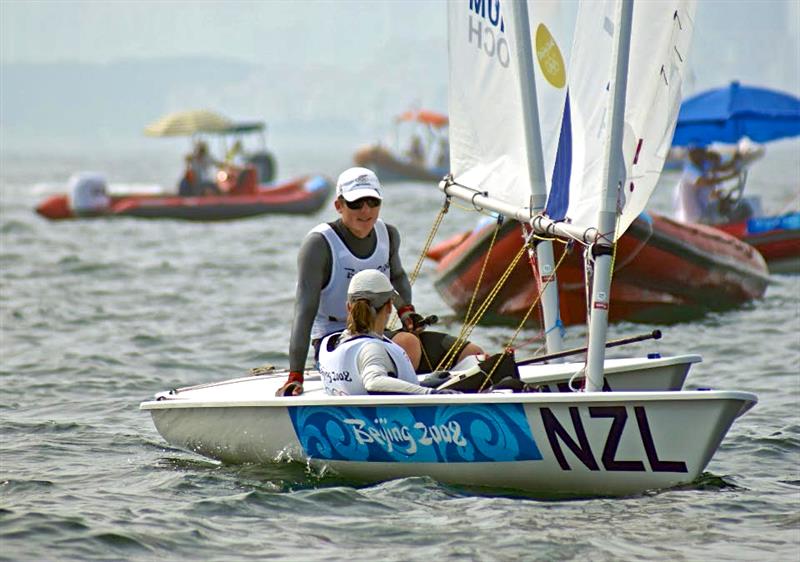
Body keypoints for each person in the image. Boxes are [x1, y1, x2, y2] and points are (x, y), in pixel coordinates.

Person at [277, 166, 483, 396]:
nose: (366, 211)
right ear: (339, 206)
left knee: (474, 355)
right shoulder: (319, 245)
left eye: (373, 202)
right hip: (335, 342)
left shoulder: (389, 234)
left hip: (378, 334)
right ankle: (417, 398)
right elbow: (303, 312)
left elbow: (397, 278)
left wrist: (406, 312)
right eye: (356, 203)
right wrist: (295, 375)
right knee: (408, 344)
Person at [318, 269, 460, 396]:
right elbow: (373, 382)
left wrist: (423, 383)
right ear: (389, 307)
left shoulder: (330, 342)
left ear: (349, 307)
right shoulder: (371, 348)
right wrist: (429, 392)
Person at [673, 145, 743, 224]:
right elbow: (705, 182)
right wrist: (730, 177)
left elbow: (721, 168)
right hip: (693, 218)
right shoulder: (689, 170)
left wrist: (735, 161)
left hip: (703, 213)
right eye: (701, 152)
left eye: (704, 152)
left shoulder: (702, 167)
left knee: (735, 206)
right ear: (692, 154)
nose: (703, 154)